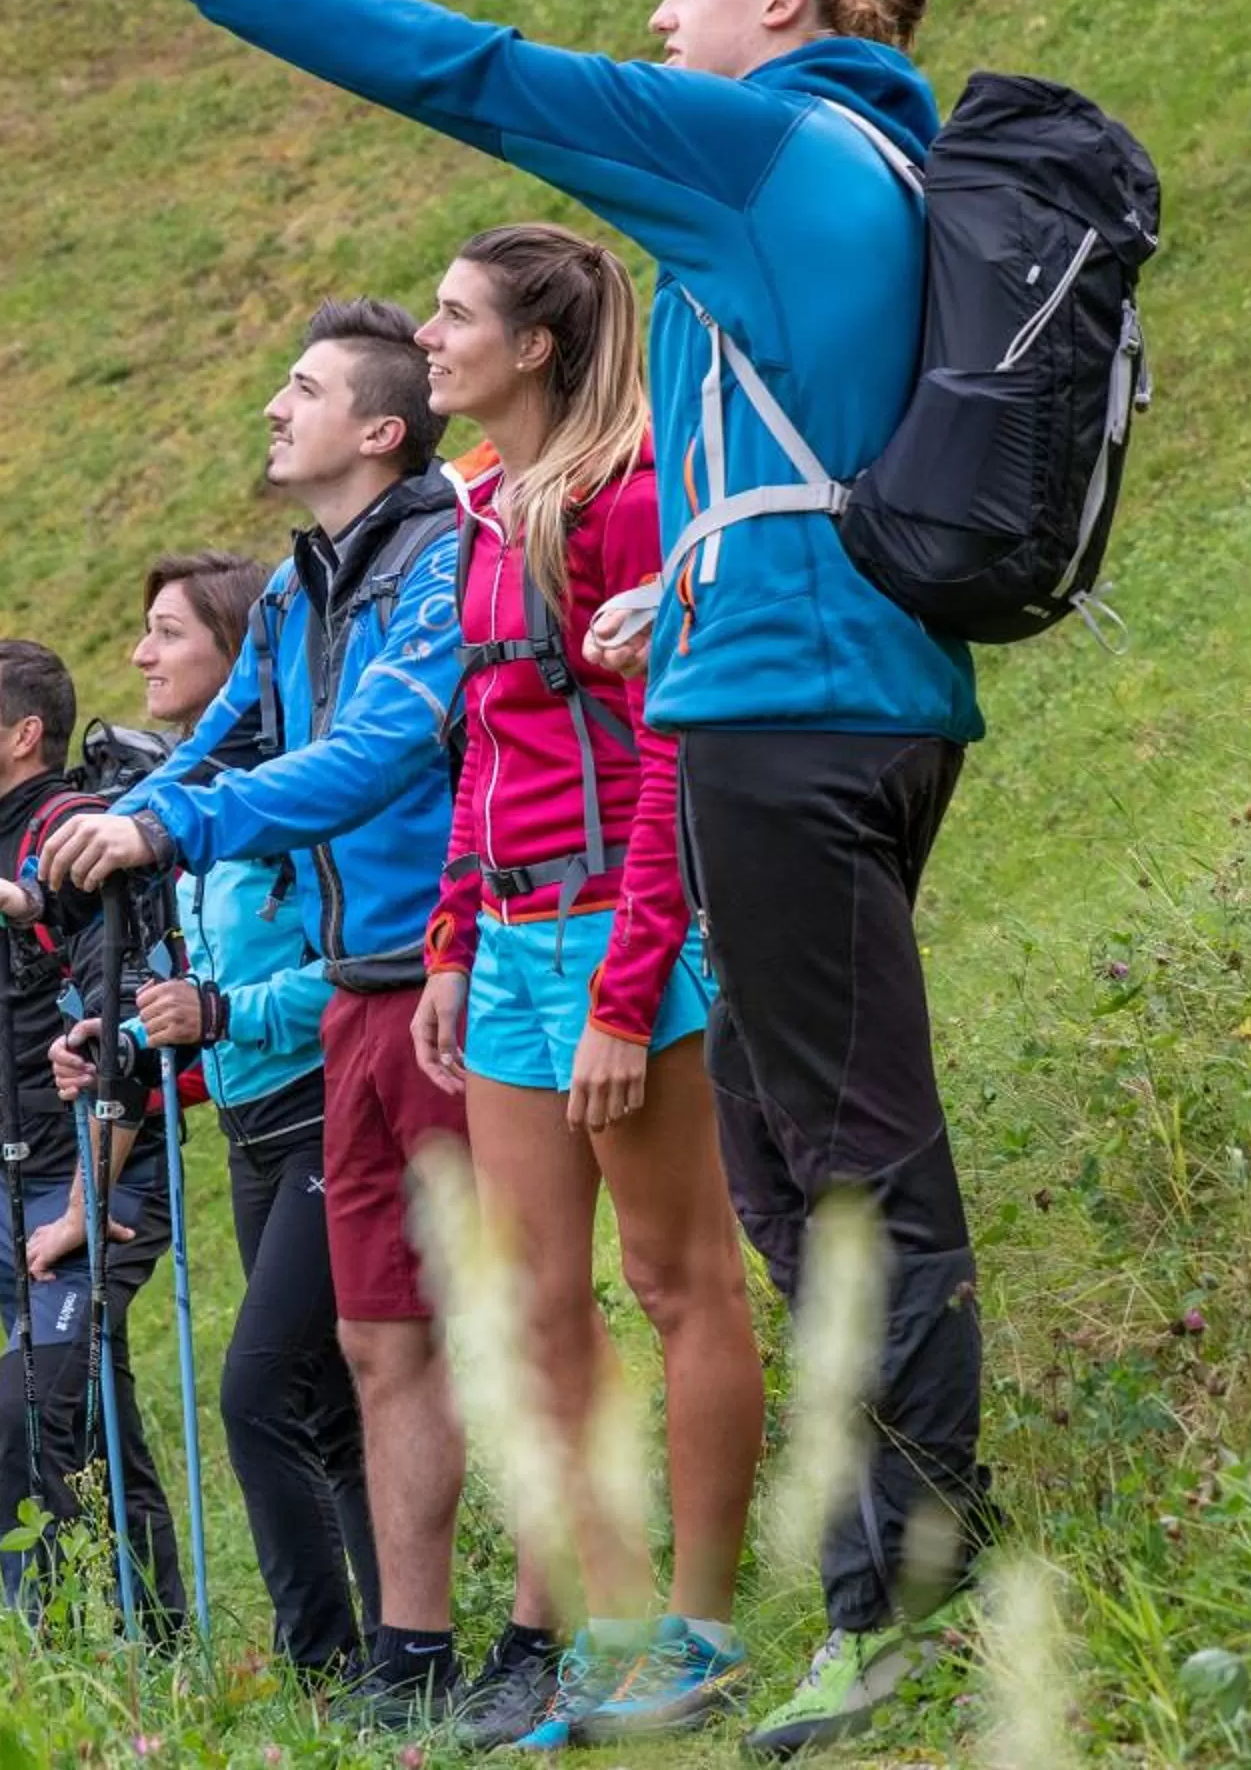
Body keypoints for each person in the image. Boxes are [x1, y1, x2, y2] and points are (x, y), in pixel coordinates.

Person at [13, 0, 992, 1755]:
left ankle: (908, 1620)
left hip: (790, 728)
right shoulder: (881, 164)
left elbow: (464, 70)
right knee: (802, 1186)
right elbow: (832, 466)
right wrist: (679, 595)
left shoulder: (755, 147)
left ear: (779, 1)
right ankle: (853, 1614)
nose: (660, 19)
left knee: (847, 1190)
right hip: (841, 696)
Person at [39, 303, 558, 1727]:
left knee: (494, 1324)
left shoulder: (438, 560)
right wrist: (71, 849)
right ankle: (410, 1661)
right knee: (382, 1346)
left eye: (303, 388)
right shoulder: (293, 588)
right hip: (357, 1009)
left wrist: (174, 831)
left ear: (379, 431)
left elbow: (379, 754)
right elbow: (216, 744)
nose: (274, 407)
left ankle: (551, 1632)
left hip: (461, 973)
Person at [403, 222, 761, 1747]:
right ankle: (607, 1640)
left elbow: (670, 740)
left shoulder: (626, 502)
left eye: (453, 313)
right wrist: (450, 941)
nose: (428, 335)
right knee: (540, 1310)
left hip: (629, 933)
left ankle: (701, 1630)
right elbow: (491, 745)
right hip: (509, 955)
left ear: (534, 346)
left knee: (679, 1283)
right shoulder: (485, 509)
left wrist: (629, 988)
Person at [37, 551, 381, 1682]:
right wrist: (126, 1038)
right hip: (251, 1127)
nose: (140, 654)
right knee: (326, 1402)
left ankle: (327, 1663)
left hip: (331, 1110)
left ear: (241, 659)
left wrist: (224, 1007)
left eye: (167, 632)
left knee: (259, 1389)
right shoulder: (192, 823)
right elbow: (190, 995)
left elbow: (368, 964)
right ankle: (383, 1655)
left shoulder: (296, 799)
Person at [0, 639, 185, 1629]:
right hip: (17, 1172)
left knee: (32, 1408)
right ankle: (157, 1643)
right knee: (88, 1413)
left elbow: (122, 1018)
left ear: (23, 732)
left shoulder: (76, 830)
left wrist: (85, 1198)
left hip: (92, 1179)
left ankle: (38, 1642)